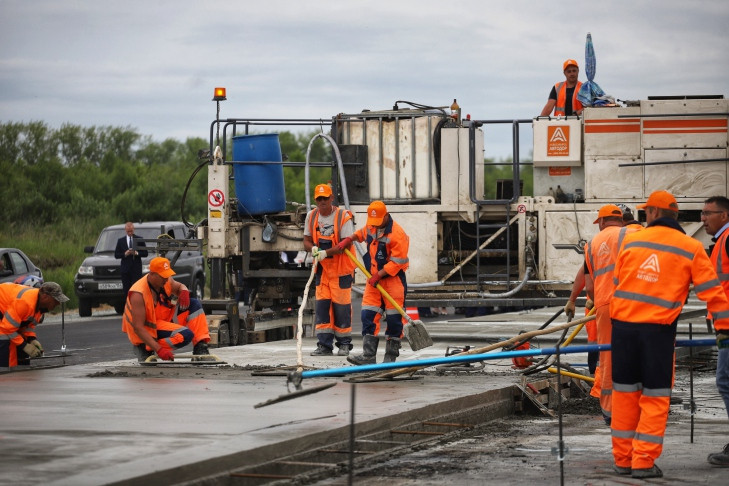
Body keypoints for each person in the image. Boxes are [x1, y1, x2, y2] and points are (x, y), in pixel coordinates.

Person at [609, 191, 729, 479]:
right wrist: (724, 331)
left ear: (652, 214)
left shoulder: (631, 241)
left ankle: (623, 460)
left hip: (622, 329)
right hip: (657, 333)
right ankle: (643, 462)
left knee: (624, 395)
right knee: (654, 397)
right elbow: (713, 293)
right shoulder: (690, 247)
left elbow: (617, 283)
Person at [337, 200, 410, 364]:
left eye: (378, 222)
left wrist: (380, 275)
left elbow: (398, 262)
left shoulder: (397, 234)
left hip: (393, 281)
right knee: (367, 315)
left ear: (386, 215)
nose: (375, 226)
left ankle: (390, 358)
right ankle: (368, 356)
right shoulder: (371, 226)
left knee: (393, 319)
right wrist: (348, 239)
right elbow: (361, 233)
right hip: (374, 281)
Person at [122, 257, 210, 362]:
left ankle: (200, 348)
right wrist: (160, 350)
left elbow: (179, 286)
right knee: (186, 335)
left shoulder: (166, 281)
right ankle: (145, 348)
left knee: (194, 304)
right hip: (145, 329)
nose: (166, 279)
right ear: (152, 274)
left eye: (167, 275)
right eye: (163, 276)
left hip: (162, 321)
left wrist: (184, 291)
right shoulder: (138, 294)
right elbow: (138, 327)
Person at [303, 183, 356, 356]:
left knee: (341, 309)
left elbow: (345, 244)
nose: (322, 201)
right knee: (322, 309)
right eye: (319, 198)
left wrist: (326, 252)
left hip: (341, 271)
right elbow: (306, 240)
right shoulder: (311, 217)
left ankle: (344, 344)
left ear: (332, 198)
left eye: (325, 198)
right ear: (315, 200)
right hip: (322, 271)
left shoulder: (343, 217)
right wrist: (312, 249)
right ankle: (324, 345)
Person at [700, 195, 729, 467]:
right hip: (725, 326)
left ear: (724, 215)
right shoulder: (721, 241)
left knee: (726, 382)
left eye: (708, 213)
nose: (703, 218)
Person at [0, 281, 69, 368]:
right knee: (4, 339)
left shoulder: (39, 306)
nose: (58, 303)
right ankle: (5, 374)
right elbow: (7, 328)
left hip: (6, 311)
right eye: (56, 300)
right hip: (2, 309)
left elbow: (26, 326)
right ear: (45, 297)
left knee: (20, 341)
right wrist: (25, 346)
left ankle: (19, 374)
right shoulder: (25, 303)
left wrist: (31, 339)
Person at [115, 222, 148, 298]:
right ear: (125, 230)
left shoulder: (139, 239)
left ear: (134, 229)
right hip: (125, 269)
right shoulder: (121, 241)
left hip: (136, 269)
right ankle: (128, 305)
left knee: (137, 288)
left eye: (131, 231)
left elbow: (145, 253)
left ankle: (136, 304)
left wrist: (136, 253)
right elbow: (116, 255)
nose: (130, 233)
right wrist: (125, 254)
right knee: (126, 289)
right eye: (128, 231)